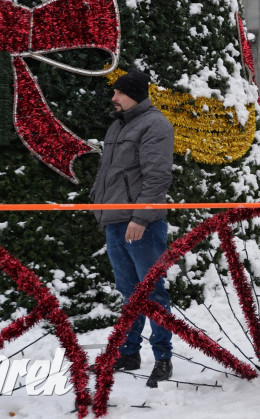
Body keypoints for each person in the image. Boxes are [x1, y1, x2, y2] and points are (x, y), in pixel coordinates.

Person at [90, 69, 174, 386]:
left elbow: (157, 176)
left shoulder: (155, 125)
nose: (113, 98)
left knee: (152, 293)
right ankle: (129, 352)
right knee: (128, 293)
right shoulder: (117, 126)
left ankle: (163, 359)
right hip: (114, 221)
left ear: (134, 94)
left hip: (142, 225)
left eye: (119, 93)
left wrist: (140, 217)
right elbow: (109, 173)